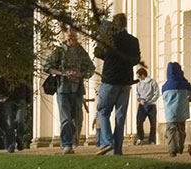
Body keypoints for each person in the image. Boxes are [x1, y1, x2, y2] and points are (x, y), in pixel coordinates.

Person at [90, 14, 143, 156]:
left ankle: (107, 141)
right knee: (120, 116)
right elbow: (136, 59)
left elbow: (98, 52)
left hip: (110, 79)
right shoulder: (133, 41)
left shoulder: (109, 39)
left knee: (103, 111)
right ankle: (117, 149)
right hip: (126, 80)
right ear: (126, 24)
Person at [43, 27, 94, 152]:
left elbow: (91, 68)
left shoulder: (80, 51)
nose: (71, 39)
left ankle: (72, 141)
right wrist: (62, 73)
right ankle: (66, 144)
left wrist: (80, 74)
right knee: (65, 118)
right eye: (69, 36)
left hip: (77, 89)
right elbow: (47, 66)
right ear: (64, 38)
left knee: (76, 119)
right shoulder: (59, 51)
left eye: (73, 36)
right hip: (63, 89)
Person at [161, 60, 191, 156]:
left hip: (170, 114)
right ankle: (180, 148)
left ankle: (172, 150)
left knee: (171, 132)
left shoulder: (165, 87)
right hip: (181, 113)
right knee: (181, 131)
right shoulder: (183, 85)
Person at [134, 63, 159, 146]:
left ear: (142, 75)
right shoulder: (139, 84)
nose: (138, 78)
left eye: (139, 76)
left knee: (153, 123)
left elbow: (156, 93)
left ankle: (152, 140)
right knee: (139, 122)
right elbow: (137, 94)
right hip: (142, 104)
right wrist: (140, 100)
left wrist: (151, 101)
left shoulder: (152, 82)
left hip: (151, 104)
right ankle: (140, 137)